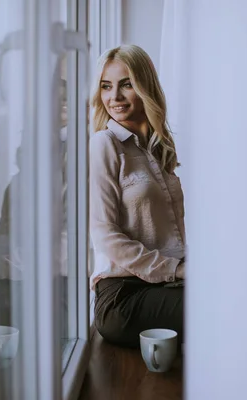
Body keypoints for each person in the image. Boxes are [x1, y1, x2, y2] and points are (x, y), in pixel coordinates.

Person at [89, 44, 186, 348]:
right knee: (221, 307)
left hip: (167, 285)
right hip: (123, 295)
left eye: (126, 84)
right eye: (106, 87)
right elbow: (105, 235)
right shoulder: (104, 144)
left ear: (145, 86)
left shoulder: (159, 149)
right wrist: (177, 270)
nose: (114, 97)